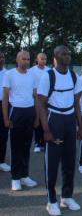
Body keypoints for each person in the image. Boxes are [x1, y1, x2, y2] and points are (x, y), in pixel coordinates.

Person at [37, 45, 82, 215]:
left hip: (70, 120)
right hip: (55, 119)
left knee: (70, 160)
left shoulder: (73, 75)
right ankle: (51, 200)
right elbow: (41, 104)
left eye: (69, 53)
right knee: (52, 162)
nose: (67, 56)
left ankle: (67, 196)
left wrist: (81, 126)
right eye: (63, 54)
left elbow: (77, 103)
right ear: (56, 57)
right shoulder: (48, 76)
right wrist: (46, 130)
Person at [2, 51, 38, 191]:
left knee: (26, 145)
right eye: (23, 59)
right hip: (16, 112)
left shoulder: (32, 75)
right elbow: (5, 98)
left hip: (29, 112)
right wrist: (6, 117)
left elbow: (35, 96)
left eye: (28, 59)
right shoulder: (9, 74)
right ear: (17, 60)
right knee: (16, 146)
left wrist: (36, 117)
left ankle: (24, 175)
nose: (26, 61)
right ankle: (15, 178)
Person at [30, 53, 50, 153]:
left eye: (45, 59)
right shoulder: (32, 70)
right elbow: (30, 85)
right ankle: (38, 143)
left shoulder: (49, 70)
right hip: (36, 99)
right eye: (42, 59)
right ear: (37, 59)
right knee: (37, 120)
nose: (44, 61)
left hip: (46, 100)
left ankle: (45, 142)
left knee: (45, 120)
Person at [0, 51, 10, 172]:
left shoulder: (8, 74)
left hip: (4, 105)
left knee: (3, 134)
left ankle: (1, 161)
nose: (1, 59)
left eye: (2, 57)